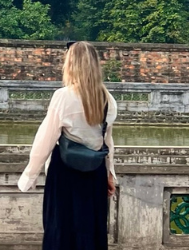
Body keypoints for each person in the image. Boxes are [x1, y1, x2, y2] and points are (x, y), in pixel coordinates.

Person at [17, 41, 117, 250]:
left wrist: (30, 175)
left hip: (65, 171)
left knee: (61, 229)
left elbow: (45, 138)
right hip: (95, 173)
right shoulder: (108, 99)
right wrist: (110, 174)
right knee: (91, 230)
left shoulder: (63, 96)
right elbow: (106, 141)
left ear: (71, 64)